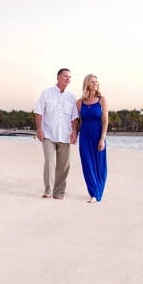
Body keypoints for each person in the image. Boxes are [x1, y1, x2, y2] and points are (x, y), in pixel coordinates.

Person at [33, 68, 80, 200]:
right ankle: (48, 190)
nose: (68, 79)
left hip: (65, 134)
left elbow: (74, 117)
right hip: (48, 133)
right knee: (49, 160)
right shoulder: (46, 93)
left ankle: (59, 192)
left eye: (70, 77)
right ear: (58, 77)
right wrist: (39, 129)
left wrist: (74, 131)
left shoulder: (71, 97)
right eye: (66, 76)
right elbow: (38, 112)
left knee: (64, 164)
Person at [77, 74, 109, 203]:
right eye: (92, 82)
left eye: (96, 81)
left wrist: (103, 138)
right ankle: (93, 194)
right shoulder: (79, 103)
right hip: (84, 137)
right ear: (87, 84)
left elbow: (105, 120)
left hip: (98, 135)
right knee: (87, 165)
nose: (95, 84)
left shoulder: (102, 100)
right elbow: (78, 122)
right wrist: (73, 133)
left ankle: (98, 190)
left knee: (100, 164)